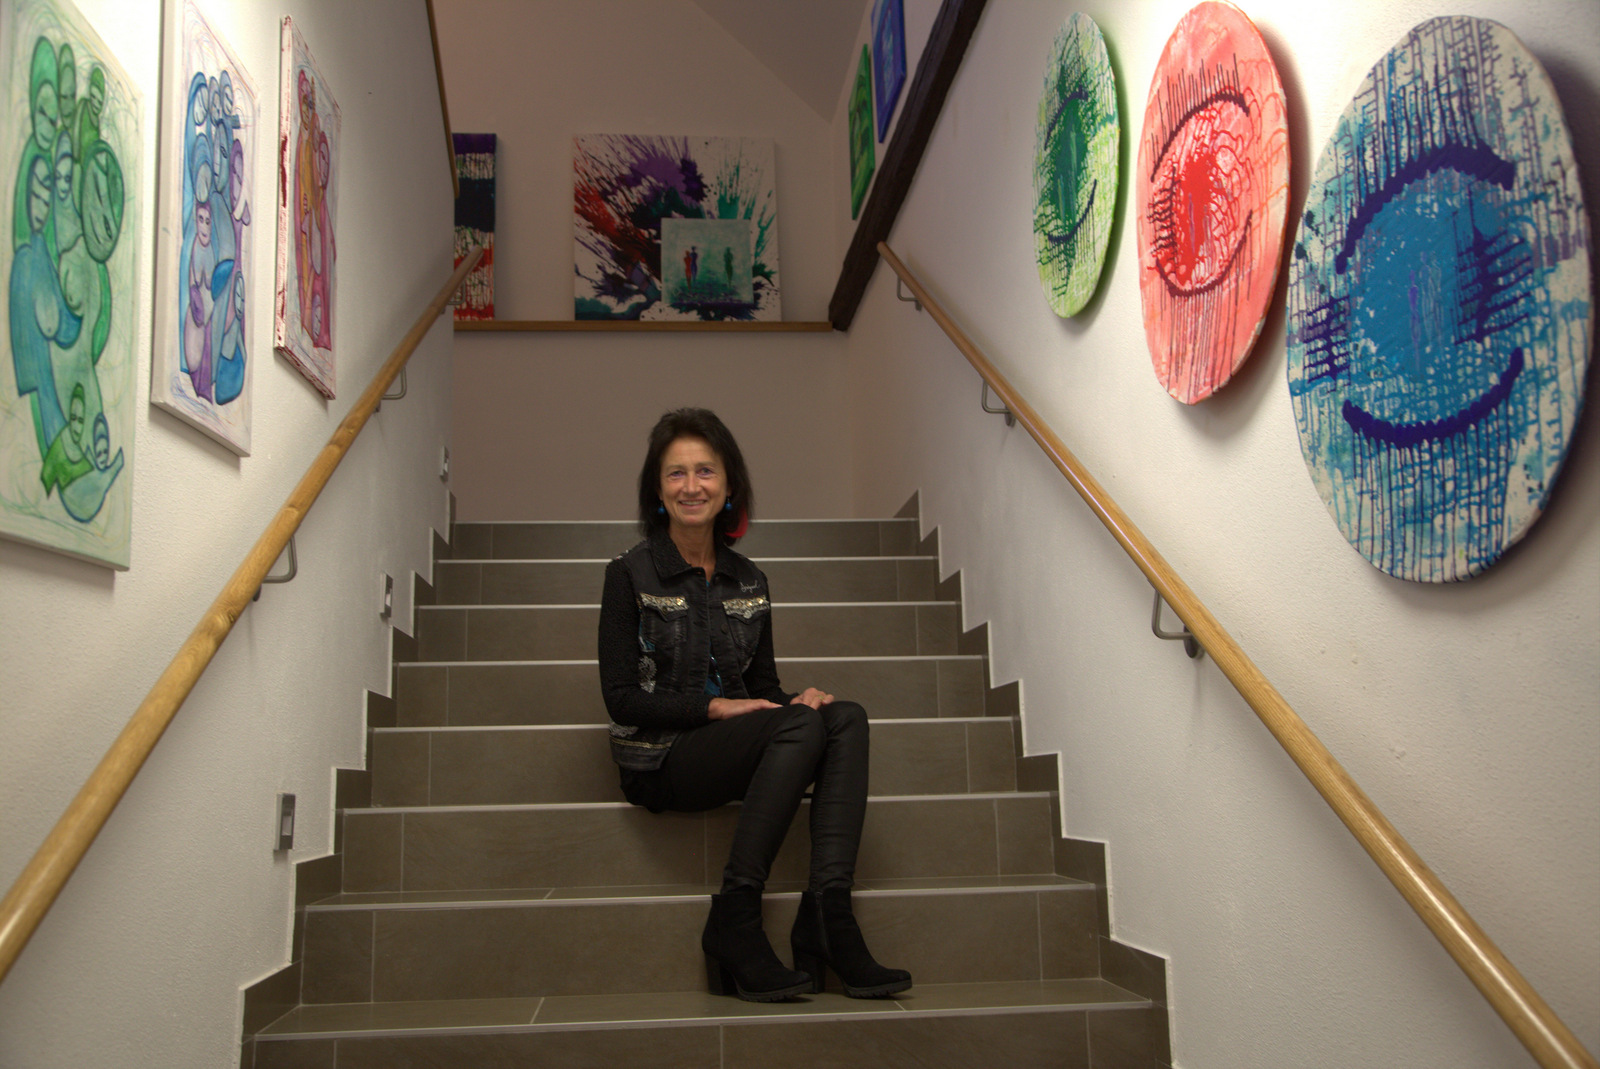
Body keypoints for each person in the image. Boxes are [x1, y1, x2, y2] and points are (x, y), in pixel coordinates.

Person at [598, 408, 911, 1003]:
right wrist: (712, 710)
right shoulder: (629, 574)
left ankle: (828, 915)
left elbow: (763, 688)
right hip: (661, 758)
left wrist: (799, 700)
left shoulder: (749, 580)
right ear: (658, 491)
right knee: (798, 725)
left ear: (729, 485)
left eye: (705, 471)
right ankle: (736, 917)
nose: (692, 486)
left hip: (734, 747)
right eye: (676, 474)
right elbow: (620, 698)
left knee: (844, 717)